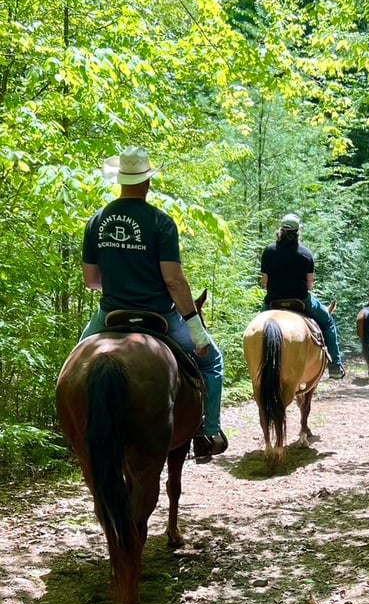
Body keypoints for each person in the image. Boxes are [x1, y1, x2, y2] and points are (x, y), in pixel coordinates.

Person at [80, 146, 227, 464]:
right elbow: (173, 280)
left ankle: (76, 433)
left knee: (75, 367)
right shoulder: (161, 222)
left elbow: (91, 280)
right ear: (147, 181)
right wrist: (196, 330)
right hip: (160, 315)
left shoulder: (97, 221)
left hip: (110, 316)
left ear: (120, 180)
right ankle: (207, 433)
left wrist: (121, 283)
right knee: (212, 361)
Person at [260, 213, 346, 379]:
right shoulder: (306, 253)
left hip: (273, 301)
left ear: (281, 230)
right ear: (298, 231)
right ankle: (335, 365)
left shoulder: (268, 251)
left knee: (256, 328)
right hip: (301, 301)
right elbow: (309, 285)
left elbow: (264, 282)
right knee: (328, 322)